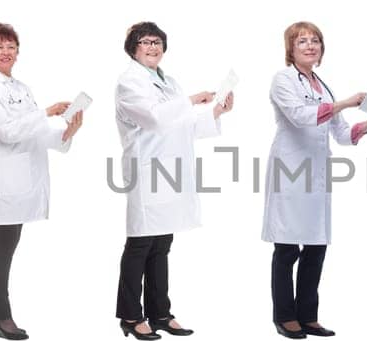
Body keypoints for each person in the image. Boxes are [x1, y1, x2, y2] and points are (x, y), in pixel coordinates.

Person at [262, 21, 367, 340]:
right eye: (302, 41)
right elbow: (300, 116)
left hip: (316, 175)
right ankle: (284, 317)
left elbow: (342, 135)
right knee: (288, 248)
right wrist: (346, 102)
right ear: (290, 49)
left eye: (315, 40)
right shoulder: (283, 80)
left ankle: (308, 316)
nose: (310, 45)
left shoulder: (323, 85)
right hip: (291, 171)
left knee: (316, 247)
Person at [113, 21, 234, 341]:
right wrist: (193, 100)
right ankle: (130, 316)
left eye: (157, 42)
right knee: (140, 243)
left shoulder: (169, 81)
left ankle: (160, 313)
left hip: (170, 172)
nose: (153, 47)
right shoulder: (129, 82)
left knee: (162, 244)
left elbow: (183, 125)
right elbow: (153, 117)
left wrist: (217, 111)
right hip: (147, 170)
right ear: (134, 48)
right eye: (145, 42)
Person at [0, 22, 85, 341]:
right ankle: (1, 315)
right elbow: (6, 130)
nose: (5, 53)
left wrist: (66, 131)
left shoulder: (21, 88)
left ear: (18, 52)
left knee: (9, 245)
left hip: (24, 177)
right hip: (3, 177)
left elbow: (34, 131)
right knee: (3, 247)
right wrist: (47, 111)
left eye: (11, 47)